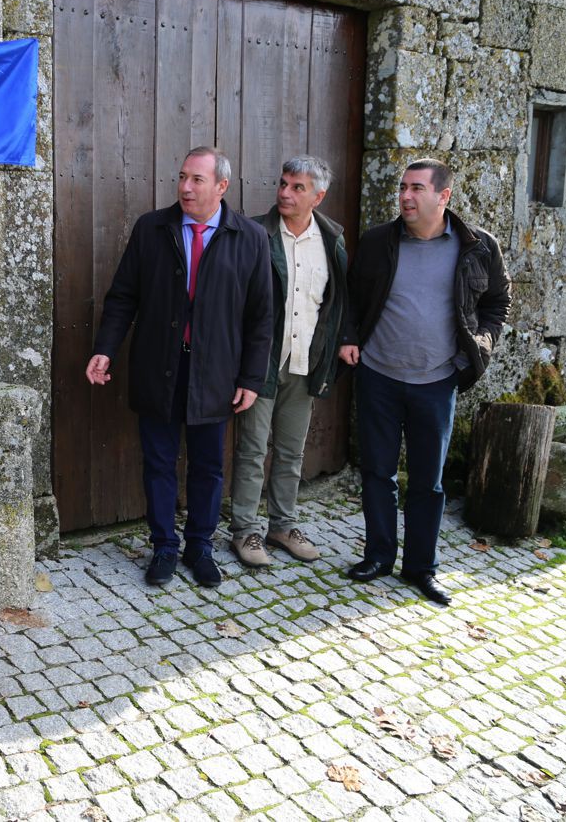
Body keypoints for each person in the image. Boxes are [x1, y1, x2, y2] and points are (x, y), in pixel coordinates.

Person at [86, 146, 273, 589]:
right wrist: (105, 348)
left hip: (217, 374)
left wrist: (251, 378)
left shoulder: (248, 237)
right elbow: (123, 296)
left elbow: (262, 315)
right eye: (183, 177)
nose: (185, 187)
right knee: (159, 461)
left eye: (197, 180)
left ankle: (200, 546)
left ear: (221, 187)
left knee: (208, 466)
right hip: (159, 367)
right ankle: (164, 547)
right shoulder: (153, 228)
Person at [339, 158, 510, 606]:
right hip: (378, 375)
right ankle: (378, 555)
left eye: (416, 188)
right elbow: (350, 298)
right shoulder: (379, 241)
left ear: (444, 196)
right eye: (402, 188)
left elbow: (498, 303)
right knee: (377, 472)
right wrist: (349, 339)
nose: (406, 197)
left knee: (427, 482)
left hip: (437, 381)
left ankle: (421, 568)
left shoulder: (478, 247)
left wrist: (477, 350)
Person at [229, 156, 348, 568]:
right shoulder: (256, 234)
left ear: (319, 196)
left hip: (304, 362)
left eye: (297, 188)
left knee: (291, 451)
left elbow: (336, 304)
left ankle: (282, 525)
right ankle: (245, 531)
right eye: (283, 184)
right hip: (261, 364)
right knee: (251, 449)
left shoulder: (332, 239)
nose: (285, 193)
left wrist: (333, 353)